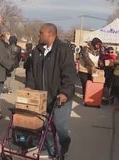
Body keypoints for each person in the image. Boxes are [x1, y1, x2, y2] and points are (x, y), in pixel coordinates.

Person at [26, 23, 77, 160]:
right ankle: (52, 151)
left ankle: (65, 142)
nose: (39, 34)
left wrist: (65, 93)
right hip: (43, 97)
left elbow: (70, 74)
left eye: (41, 32)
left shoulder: (63, 50)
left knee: (59, 125)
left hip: (60, 97)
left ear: (50, 34)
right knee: (46, 125)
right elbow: (31, 72)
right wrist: (29, 87)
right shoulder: (37, 51)